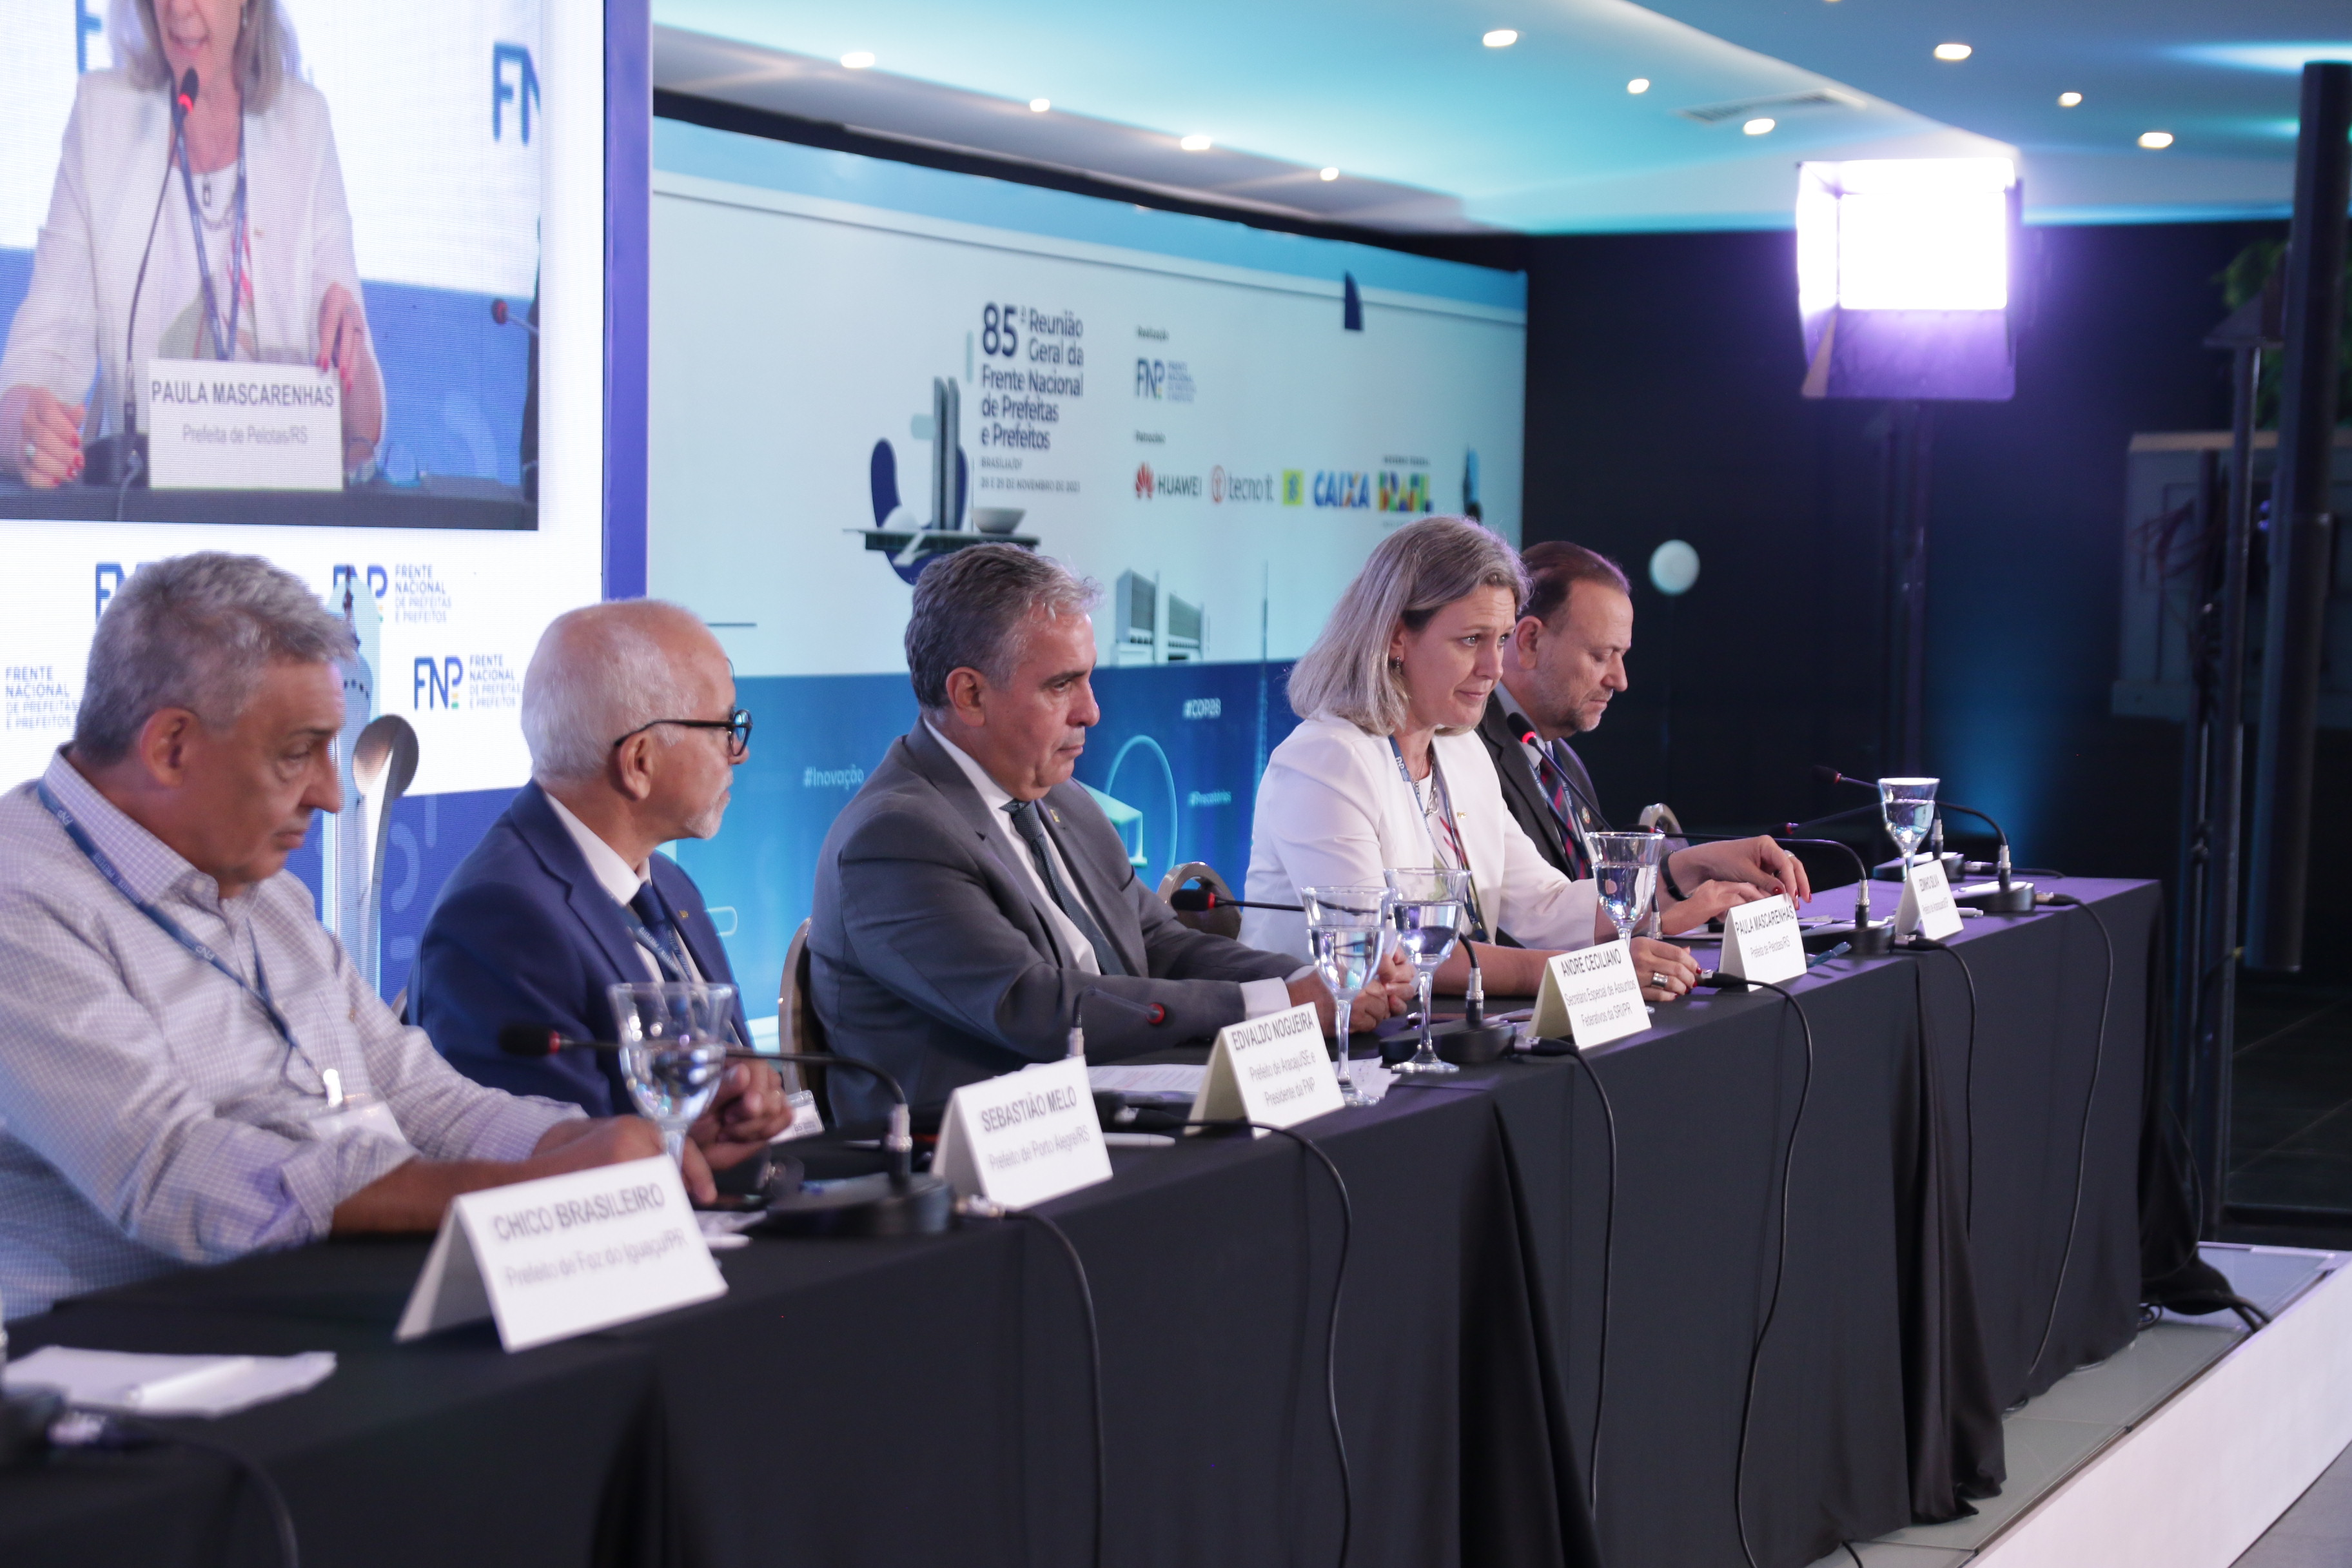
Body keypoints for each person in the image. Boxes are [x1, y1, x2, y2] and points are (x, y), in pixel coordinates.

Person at [0, 554, 666, 1321]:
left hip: (320, 1311)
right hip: (126, 1354)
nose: (328, 792)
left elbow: (418, 1094)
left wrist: (599, 1149)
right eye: (297, 753)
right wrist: (522, 1193)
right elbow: (169, 1170)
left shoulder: (265, 890)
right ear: (171, 747)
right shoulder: (24, 903)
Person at [810, 545, 1407, 1124]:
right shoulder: (895, 837)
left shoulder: (1063, 798)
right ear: (970, 695)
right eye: (1061, 685)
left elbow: (1159, 944)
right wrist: (1280, 1006)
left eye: (1088, 680)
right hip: (976, 1157)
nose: (1091, 711)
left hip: (1112, 1109)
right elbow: (1034, 1007)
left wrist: (1316, 983)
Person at [1243, 516, 1705, 1006]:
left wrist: (1693, 871)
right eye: (1471, 640)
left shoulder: (1461, 749)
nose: (1494, 668)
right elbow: (1387, 951)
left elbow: (1544, 905)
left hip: (1433, 1027)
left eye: (1501, 640)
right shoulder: (1326, 760)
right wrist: (1589, 973)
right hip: (1329, 1040)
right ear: (1397, 637)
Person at [408, 602, 792, 1175]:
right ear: (639, 762)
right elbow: (567, 1169)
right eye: (725, 728)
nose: (740, 751)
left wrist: (752, 1102)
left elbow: (730, 1088)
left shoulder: (668, 884)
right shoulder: (501, 920)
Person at [0, 0, 384, 489]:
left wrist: (350, 356)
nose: (178, 8)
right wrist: (25, 433)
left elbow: (360, 433)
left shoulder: (302, 124)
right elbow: (39, 365)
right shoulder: (103, 116)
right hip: (147, 514)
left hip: (282, 510)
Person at [1475, 541, 1808, 927]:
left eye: (1622, 655)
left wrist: (1701, 877)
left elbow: (1597, 897)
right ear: (1530, 641)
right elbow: (1537, 921)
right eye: (1601, 655)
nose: (1620, 680)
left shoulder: (1562, 761)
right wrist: (1675, 902)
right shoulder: (1467, 753)